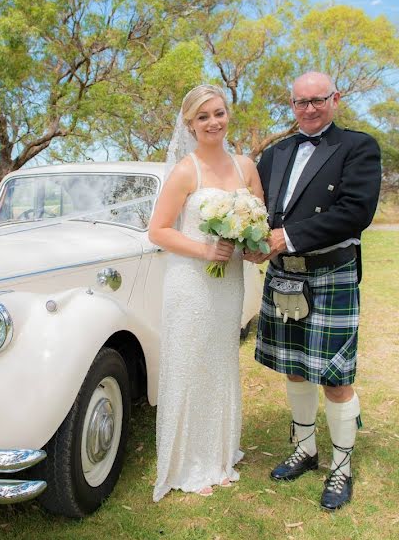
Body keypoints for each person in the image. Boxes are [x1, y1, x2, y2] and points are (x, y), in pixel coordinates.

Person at [247, 71, 381, 510]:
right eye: (300, 102)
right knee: (294, 368)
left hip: (330, 274)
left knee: (336, 378)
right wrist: (248, 237)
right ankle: (305, 450)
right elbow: (258, 207)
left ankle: (341, 469)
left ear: (335, 99)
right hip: (284, 274)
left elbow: (355, 212)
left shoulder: (358, 147)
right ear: (292, 105)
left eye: (317, 100)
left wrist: (286, 237)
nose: (308, 109)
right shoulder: (276, 152)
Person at [149, 84, 265, 501]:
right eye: (203, 117)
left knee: (219, 360)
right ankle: (184, 460)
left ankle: (217, 452)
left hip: (228, 282)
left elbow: (258, 225)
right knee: (188, 361)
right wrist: (205, 249)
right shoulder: (186, 170)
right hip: (190, 282)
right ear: (190, 124)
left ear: (227, 114)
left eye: (218, 113)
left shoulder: (246, 166)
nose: (213, 122)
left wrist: (253, 248)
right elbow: (158, 230)